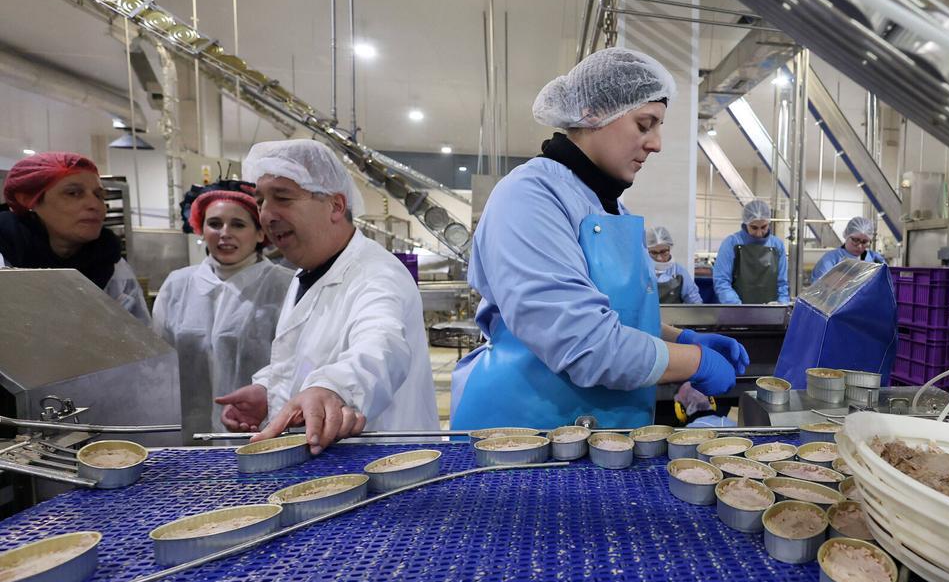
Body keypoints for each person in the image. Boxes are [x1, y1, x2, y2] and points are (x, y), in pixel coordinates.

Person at [451, 48, 750, 430]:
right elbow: (583, 341)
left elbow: (610, 312)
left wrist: (683, 337)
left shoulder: (609, 208)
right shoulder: (529, 196)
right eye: (645, 124)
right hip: (519, 434)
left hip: (591, 433)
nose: (656, 143)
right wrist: (693, 360)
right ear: (593, 112)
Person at [216, 139, 438, 452]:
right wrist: (268, 391)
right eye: (261, 200)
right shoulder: (307, 270)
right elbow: (306, 355)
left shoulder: (378, 274)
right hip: (329, 464)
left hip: (383, 466)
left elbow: (381, 346)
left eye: (282, 197)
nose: (267, 214)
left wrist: (331, 389)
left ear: (335, 205)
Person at [152, 182, 294, 439]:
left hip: (260, 431)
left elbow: (293, 364)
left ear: (260, 233)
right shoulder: (178, 285)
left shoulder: (283, 286)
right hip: (187, 433)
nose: (224, 233)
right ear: (201, 229)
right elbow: (160, 364)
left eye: (238, 225)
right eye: (215, 224)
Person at [0, 151, 149, 322]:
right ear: (28, 200)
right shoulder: (5, 256)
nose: (95, 205)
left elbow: (141, 340)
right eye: (73, 193)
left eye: (99, 195)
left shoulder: (111, 267)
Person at [712, 199, 789, 304]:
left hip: (771, 313)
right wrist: (737, 307)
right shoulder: (731, 243)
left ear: (769, 223)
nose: (759, 233)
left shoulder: (777, 245)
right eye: (754, 227)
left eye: (763, 227)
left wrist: (781, 305)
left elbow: (782, 284)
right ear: (746, 223)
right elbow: (722, 281)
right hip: (736, 314)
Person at [811, 216, 886, 282]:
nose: (859, 246)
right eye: (855, 240)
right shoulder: (831, 259)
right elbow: (819, 288)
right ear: (846, 235)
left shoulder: (875, 259)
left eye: (864, 242)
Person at [646, 225, 701, 304]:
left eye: (663, 252)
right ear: (647, 251)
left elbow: (695, 302)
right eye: (654, 253)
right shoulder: (640, 272)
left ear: (670, 248)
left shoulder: (679, 273)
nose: (659, 258)